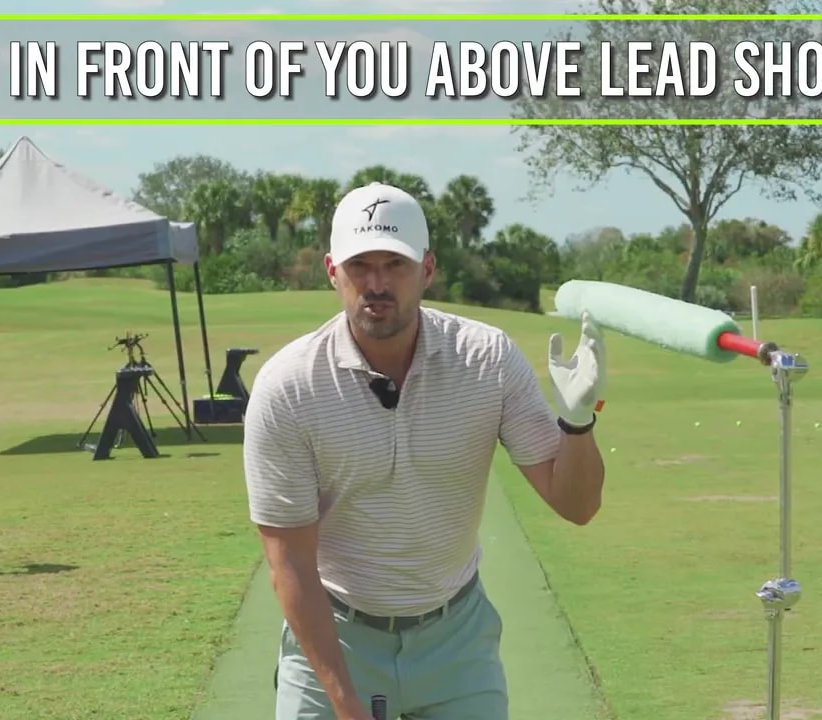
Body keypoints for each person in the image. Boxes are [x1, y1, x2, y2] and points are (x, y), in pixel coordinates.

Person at [242, 181, 607, 720]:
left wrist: (577, 423)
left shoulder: (487, 359)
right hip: (336, 636)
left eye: (395, 264)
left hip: (455, 642)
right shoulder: (288, 387)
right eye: (360, 265)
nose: (376, 283)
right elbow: (289, 561)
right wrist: (345, 702)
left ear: (428, 269)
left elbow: (577, 506)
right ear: (332, 271)